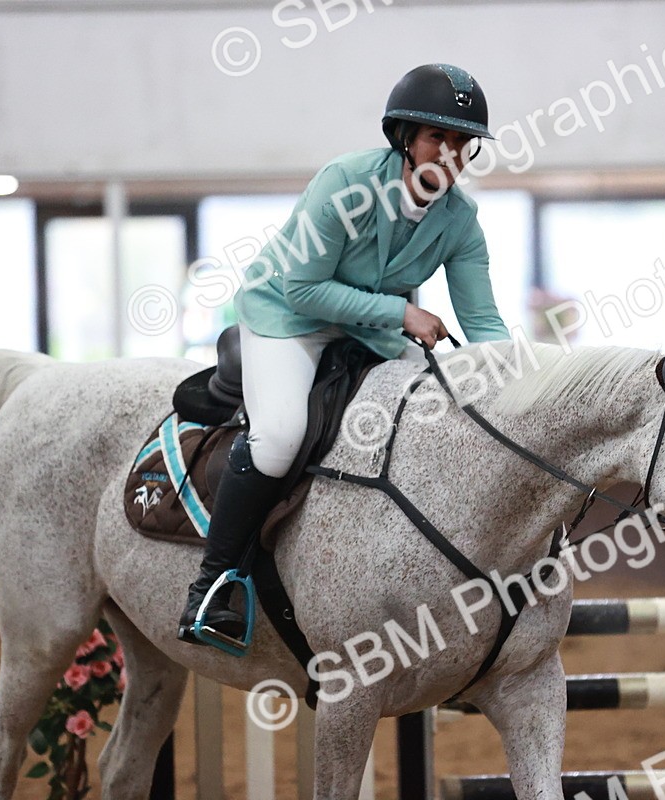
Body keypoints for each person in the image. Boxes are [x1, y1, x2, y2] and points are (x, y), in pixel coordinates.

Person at [178, 63, 511, 646]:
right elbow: (303, 289)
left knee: (427, 414)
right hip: (287, 317)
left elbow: (482, 321)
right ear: (405, 137)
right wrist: (403, 313)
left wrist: (516, 386)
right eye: (439, 138)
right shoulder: (344, 183)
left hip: (366, 331)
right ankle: (213, 585)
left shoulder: (461, 222)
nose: (451, 154)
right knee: (279, 439)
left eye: (463, 144)